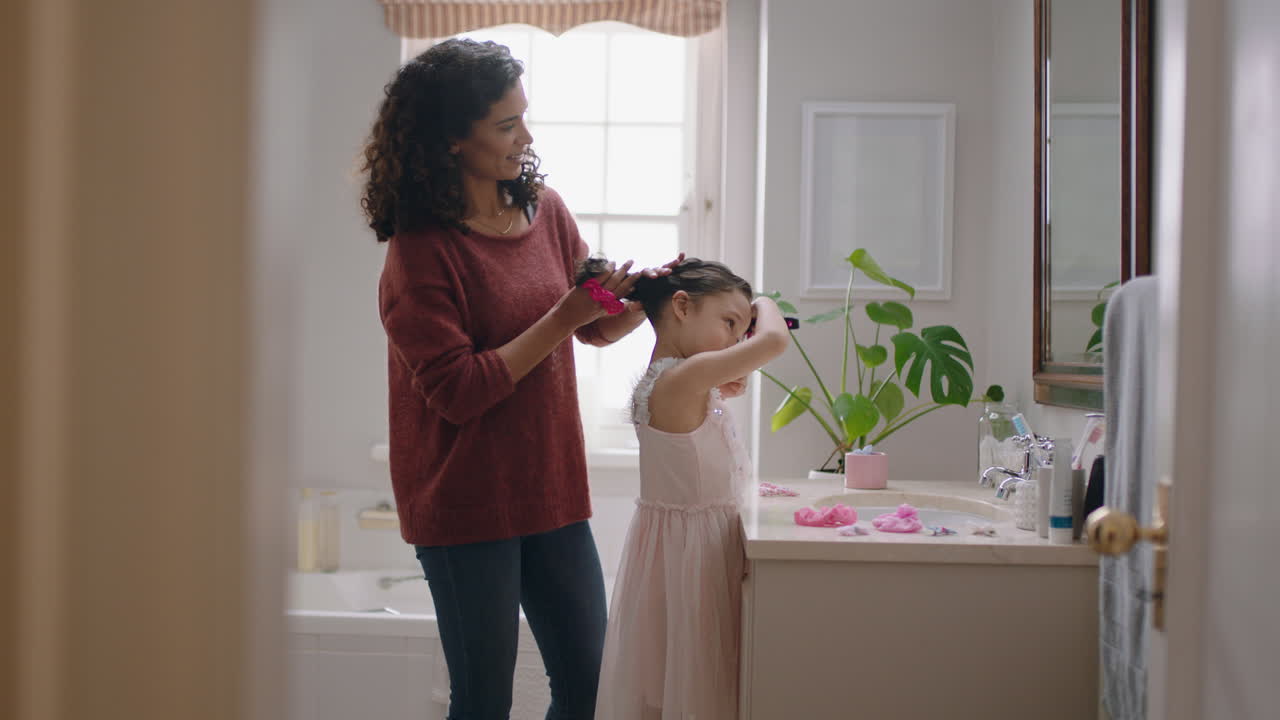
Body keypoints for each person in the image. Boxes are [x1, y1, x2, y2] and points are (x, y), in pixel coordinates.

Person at [360, 38, 679, 719]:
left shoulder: (547, 211)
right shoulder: (420, 251)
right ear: (451, 139)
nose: (526, 138)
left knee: (590, 688)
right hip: (464, 504)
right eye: (506, 125)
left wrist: (646, 301)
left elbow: (592, 328)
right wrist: (566, 315)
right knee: (483, 703)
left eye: (523, 118)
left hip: (551, 490)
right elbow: (459, 391)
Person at [592, 259, 790, 719]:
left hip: (683, 546)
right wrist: (762, 303)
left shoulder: (675, 377)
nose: (737, 339)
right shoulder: (682, 379)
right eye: (730, 323)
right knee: (703, 683)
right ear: (682, 307)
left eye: (742, 329)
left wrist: (717, 385)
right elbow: (775, 341)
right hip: (697, 555)